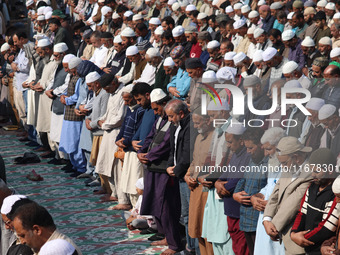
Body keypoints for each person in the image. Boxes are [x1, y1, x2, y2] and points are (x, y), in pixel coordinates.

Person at [139, 89, 183, 255]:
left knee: (166, 205)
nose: (155, 112)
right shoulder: (159, 119)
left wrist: (149, 155)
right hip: (152, 166)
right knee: (156, 202)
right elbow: (150, 137)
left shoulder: (172, 122)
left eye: (157, 108)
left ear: (165, 104)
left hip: (163, 169)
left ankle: (174, 244)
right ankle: (166, 235)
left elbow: (166, 145)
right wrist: (142, 152)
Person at [263, 136, 313, 255]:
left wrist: (273, 227)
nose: (282, 167)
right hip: (282, 234)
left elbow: (292, 204)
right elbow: (275, 194)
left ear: (296, 157)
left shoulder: (310, 172)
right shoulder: (288, 167)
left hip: (297, 238)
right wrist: (267, 219)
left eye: (284, 163)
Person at [291, 148, 340, 254]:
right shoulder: (312, 187)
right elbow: (301, 213)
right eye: (311, 170)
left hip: (322, 249)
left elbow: (327, 228)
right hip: (307, 248)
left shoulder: (335, 193)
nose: (312, 174)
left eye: (317, 171)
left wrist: (302, 238)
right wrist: (294, 233)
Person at [233, 127, 268, 255]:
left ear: (261, 145)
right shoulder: (251, 161)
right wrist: (236, 194)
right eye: (246, 148)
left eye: (251, 148)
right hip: (245, 218)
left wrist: (254, 198)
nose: (248, 152)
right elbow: (242, 180)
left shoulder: (269, 164)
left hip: (258, 220)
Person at [11, 202, 82, 255]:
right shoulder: (39, 247)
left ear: (37, 230)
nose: (22, 241)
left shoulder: (62, 250)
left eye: (23, 236)